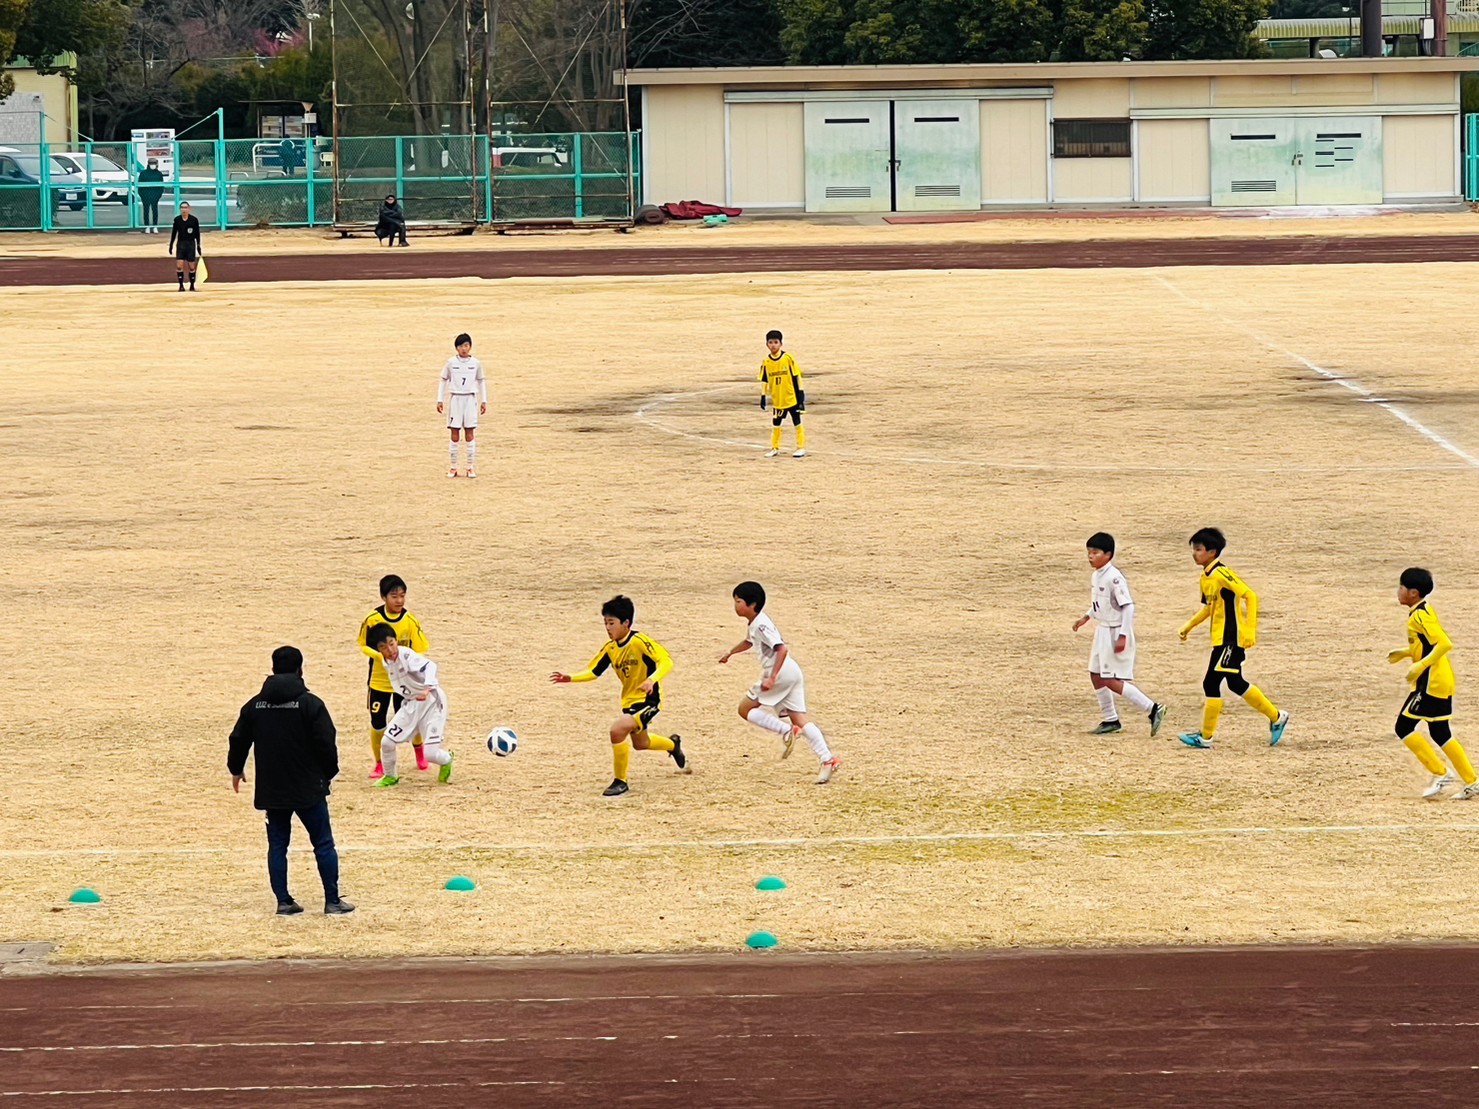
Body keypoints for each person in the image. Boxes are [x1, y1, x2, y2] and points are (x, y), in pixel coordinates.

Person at [227, 646, 354, 916]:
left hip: (273, 790)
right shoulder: (311, 704)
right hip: (309, 788)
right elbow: (326, 743)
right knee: (323, 843)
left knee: (277, 844)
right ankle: (332, 901)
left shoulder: (255, 705)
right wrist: (327, 774)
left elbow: (238, 738)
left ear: (273, 669)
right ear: (300, 670)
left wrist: (235, 769)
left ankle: (284, 902)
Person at [550, 595, 690, 797]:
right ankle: (672, 744)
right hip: (629, 702)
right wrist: (570, 678)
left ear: (626, 623)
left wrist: (652, 679)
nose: (608, 628)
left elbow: (666, 661)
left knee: (617, 731)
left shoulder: (640, 641)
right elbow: (593, 672)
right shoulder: (611, 648)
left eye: (612, 623)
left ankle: (620, 781)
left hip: (648, 700)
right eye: (605, 623)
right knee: (641, 744)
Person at [1176, 527, 1290, 749]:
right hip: (1220, 639)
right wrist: (1188, 626)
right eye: (1194, 549)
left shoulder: (1221, 573)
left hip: (1231, 639)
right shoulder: (1206, 577)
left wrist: (1249, 630)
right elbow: (1210, 608)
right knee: (1236, 683)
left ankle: (1205, 737)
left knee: (1211, 682)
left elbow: (1250, 595)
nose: (1194, 553)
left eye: (1199, 549)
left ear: (1212, 551)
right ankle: (1277, 717)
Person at [720, 581, 841, 784]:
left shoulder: (762, 624)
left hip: (780, 672)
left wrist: (773, 677)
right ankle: (827, 759)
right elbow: (749, 641)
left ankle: (785, 731)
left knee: (744, 709)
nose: (735, 605)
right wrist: (730, 653)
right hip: (792, 672)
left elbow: (781, 648)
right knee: (799, 719)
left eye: (738, 601)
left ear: (752, 604)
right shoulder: (754, 623)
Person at [1390, 568, 1479, 800]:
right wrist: (1406, 653)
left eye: (1401, 587)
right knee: (1441, 733)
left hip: (1430, 684)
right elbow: (1428, 645)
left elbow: (1444, 644)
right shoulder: (1422, 611)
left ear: (1413, 592)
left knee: (1403, 727)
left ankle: (1440, 773)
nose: (1398, 591)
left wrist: (1420, 665)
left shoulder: (1419, 616)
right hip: (1441, 681)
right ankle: (1472, 780)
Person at [1071, 532, 1167, 737]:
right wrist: (1086, 617)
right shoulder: (1097, 575)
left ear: (1108, 554)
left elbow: (1128, 607)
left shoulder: (1114, 578)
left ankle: (1152, 708)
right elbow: (1100, 603)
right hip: (1102, 629)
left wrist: (1123, 635)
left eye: (1095, 553)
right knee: (1095, 674)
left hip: (1114, 630)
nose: (1090, 557)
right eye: (1089, 553)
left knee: (1110, 679)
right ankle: (1110, 719)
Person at [356, 574, 430, 777]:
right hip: (379, 681)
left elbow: (421, 648)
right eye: (394, 596)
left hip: (404, 681)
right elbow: (362, 645)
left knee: (411, 719)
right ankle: (380, 763)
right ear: (383, 597)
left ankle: (420, 753)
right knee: (377, 721)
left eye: (402, 596)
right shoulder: (373, 620)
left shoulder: (410, 621)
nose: (399, 601)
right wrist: (379, 656)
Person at [365, 624, 454, 787]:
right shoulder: (386, 662)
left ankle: (447, 759)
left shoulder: (406, 656)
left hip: (433, 703)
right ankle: (390, 775)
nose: (390, 650)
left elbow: (430, 666)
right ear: (378, 650)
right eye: (384, 647)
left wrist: (427, 688)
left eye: (392, 644)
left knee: (431, 754)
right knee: (387, 742)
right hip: (412, 705)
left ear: (396, 641)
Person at [438, 333, 486, 478]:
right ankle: (453, 467)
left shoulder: (476, 363)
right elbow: (443, 379)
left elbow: (481, 381)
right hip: (456, 399)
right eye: (460, 346)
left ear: (470, 346)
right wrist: (440, 400)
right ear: (456, 348)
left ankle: (470, 467)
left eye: (466, 346)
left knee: (470, 433)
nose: (463, 349)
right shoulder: (451, 362)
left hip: (470, 399)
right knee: (454, 433)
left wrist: (484, 400)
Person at [759, 329, 806, 459]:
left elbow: (797, 376)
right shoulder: (766, 362)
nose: (773, 345)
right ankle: (775, 447)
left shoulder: (788, 358)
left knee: (797, 421)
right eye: (770, 342)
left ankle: (801, 447)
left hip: (791, 397)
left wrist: (801, 395)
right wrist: (763, 396)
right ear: (766, 344)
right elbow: (764, 379)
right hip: (777, 399)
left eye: (776, 342)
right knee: (776, 423)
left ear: (781, 343)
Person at [168, 201, 202, 291]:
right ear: (180, 209)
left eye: (185, 207)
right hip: (181, 244)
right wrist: (171, 245)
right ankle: (181, 285)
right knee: (179, 266)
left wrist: (198, 245)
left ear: (189, 209)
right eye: (182, 207)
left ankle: (192, 285)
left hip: (190, 244)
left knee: (191, 267)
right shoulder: (177, 220)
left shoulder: (194, 220)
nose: (184, 209)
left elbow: (197, 234)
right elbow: (174, 233)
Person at [136, 158, 164, 234]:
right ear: (148, 164)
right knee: (146, 211)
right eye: (151, 163)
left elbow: (161, 186)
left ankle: (155, 226)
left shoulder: (159, 174)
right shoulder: (143, 173)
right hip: (145, 195)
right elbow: (139, 186)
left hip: (155, 196)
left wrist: (158, 195)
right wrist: (142, 195)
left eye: (154, 163)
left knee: (155, 211)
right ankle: (147, 226)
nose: (153, 165)